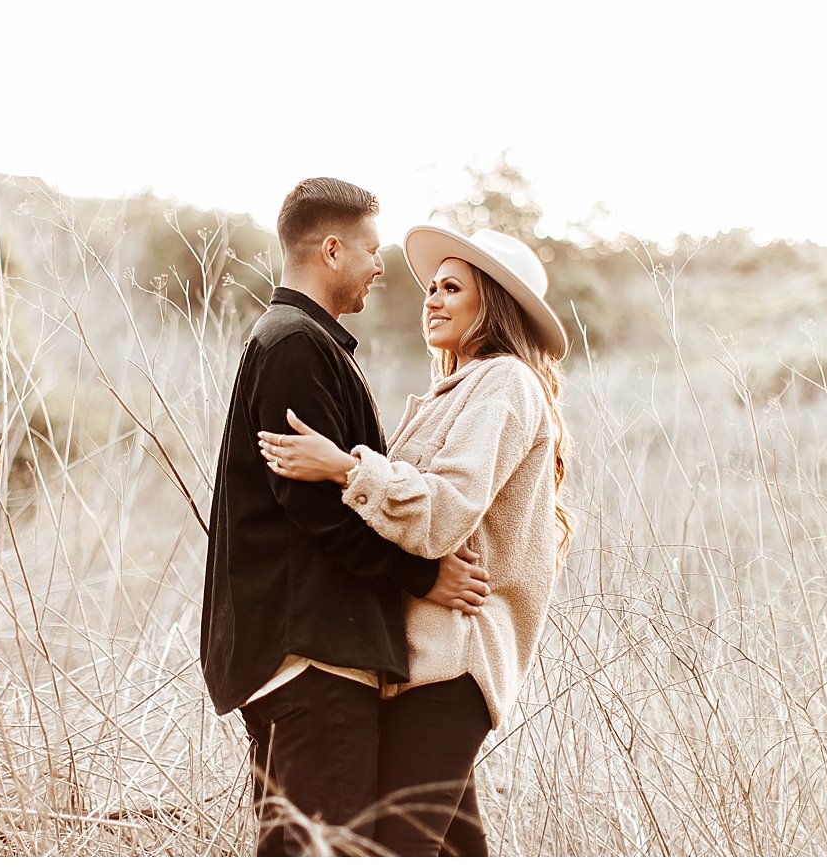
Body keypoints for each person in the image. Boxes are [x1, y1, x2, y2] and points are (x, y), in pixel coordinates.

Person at [258, 223, 572, 856]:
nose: (430, 299)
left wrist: (345, 466)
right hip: (424, 661)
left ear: (495, 304)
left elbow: (446, 512)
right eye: (430, 287)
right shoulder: (453, 393)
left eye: (451, 287)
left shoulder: (505, 383)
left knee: (395, 849)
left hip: (451, 661)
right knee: (451, 849)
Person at [200, 179, 493, 856]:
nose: (378, 267)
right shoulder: (294, 346)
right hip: (310, 652)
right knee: (323, 850)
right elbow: (315, 510)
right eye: (368, 250)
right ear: (330, 250)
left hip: (315, 650)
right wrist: (423, 576)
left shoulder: (304, 342)